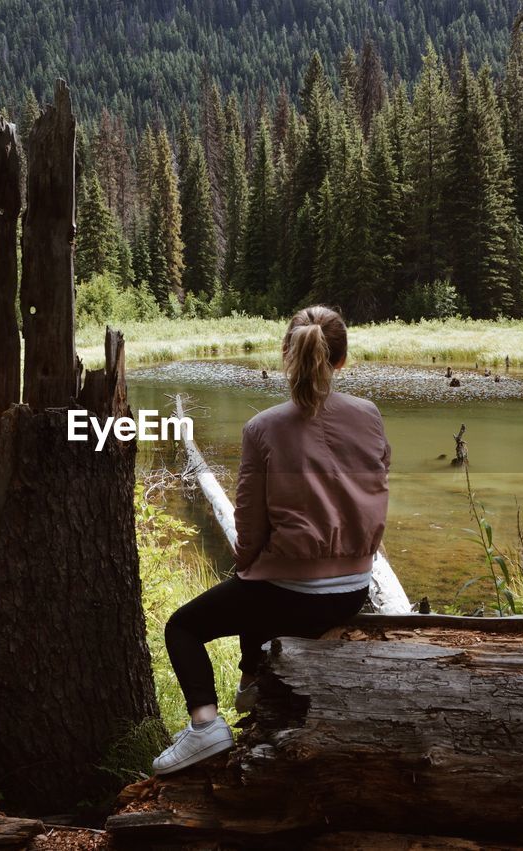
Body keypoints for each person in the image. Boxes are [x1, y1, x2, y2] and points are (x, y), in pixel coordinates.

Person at [153, 305, 392, 775]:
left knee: (184, 626)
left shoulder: (263, 428)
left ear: (287, 355)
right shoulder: (369, 415)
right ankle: (253, 682)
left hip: (291, 595)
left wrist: (249, 565)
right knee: (256, 586)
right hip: (354, 588)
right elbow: (376, 483)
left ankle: (206, 727)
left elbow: (251, 522)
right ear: (341, 361)